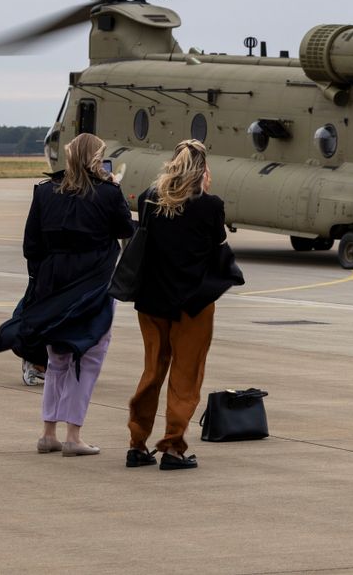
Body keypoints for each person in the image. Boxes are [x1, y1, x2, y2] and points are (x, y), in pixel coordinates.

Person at [0, 132, 134, 457]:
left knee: (57, 356)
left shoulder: (44, 193)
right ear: (96, 160)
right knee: (89, 355)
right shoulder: (108, 193)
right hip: (94, 285)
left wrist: (38, 283)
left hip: (52, 285)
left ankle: (48, 432)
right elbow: (126, 229)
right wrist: (112, 187)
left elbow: (31, 245)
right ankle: (74, 435)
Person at [126, 139, 243, 471]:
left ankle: (137, 444)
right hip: (192, 303)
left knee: (152, 371)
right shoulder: (210, 206)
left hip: (151, 301)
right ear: (203, 170)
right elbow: (217, 249)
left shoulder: (151, 199)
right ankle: (173, 446)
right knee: (185, 376)